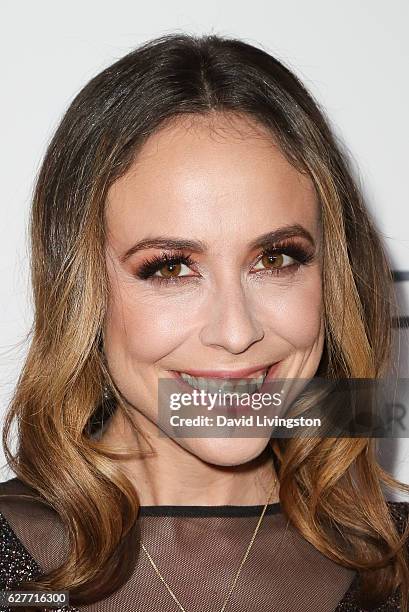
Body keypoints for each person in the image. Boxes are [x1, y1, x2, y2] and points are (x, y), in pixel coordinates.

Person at [0, 32, 408, 612]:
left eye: (275, 258)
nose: (236, 331)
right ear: (81, 289)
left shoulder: (395, 567)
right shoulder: (9, 563)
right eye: (170, 268)